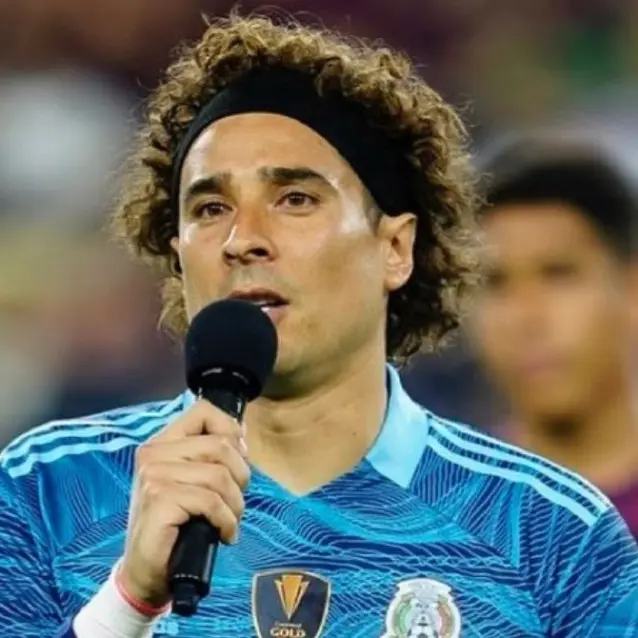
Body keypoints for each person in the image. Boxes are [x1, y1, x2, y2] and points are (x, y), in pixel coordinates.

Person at [0, 15, 636, 637]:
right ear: (178, 254)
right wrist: (127, 604)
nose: (242, 239)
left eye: (295, 199)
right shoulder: (47, 490)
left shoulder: (553, 533)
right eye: (211, 207)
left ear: (396, 248)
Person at [472, 136, 638, 539]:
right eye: (495, 283)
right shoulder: (440, 524)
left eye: (558, 274)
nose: (525, 317)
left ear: (632, 289)